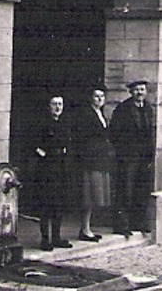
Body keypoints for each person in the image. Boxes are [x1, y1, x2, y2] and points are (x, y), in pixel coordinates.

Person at [108, 79, 155, 235]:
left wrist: (150, 156)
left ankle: (138, 223)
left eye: (142, 89)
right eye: (136, 90)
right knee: (125, 190)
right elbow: (114, 133)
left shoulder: (148, 109)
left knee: (141, 190)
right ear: (131, 92)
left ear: (146, 92)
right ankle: (122, 225)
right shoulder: (123, 109)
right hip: (128, 157)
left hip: (144, 157)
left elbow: (151, 133)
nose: (139, 92)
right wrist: (123, 150)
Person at [34, 94, 74, 249]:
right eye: (54, 104)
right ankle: (45, 239)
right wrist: (44, 155)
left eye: (60, 104)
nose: (58, 107)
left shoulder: (64, 123)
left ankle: (57, 237)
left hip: (61, 166)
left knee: (59, 203)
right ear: (48, 106)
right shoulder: (42, 123)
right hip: (46, 169)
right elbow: (34, 144)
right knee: (46, 204)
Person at [73, 85, 113, 242]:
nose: (100, 99)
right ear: (91, 97)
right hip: (90, 159)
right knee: (88, 195)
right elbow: (82, 138)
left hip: (100, 158)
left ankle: (87, 228)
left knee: (95, 195)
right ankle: (84, 229)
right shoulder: (86, 115)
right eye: (96, 96)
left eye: (102, 97)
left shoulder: (100, 114)